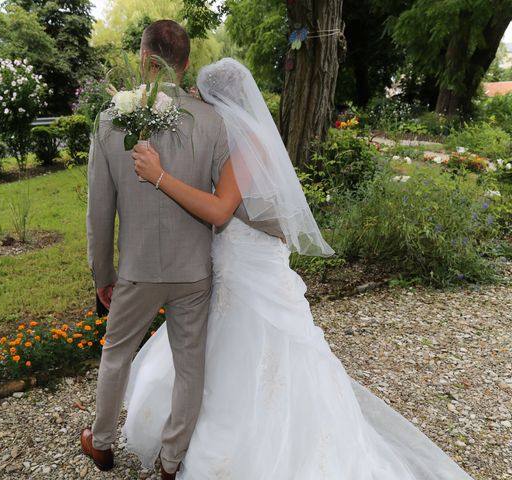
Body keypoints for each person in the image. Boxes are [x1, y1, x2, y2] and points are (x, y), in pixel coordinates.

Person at [124, 57, 475, 479]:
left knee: (252, 351)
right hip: (234, 259)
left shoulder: (246, 142)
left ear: (216, 97)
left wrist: (160, 177)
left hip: (248, 267)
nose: (197, 101)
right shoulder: (229, 134)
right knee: (214, 347)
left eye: (201, 94)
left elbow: (220, 211)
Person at [83, 21, 231, 480]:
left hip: (137, 269)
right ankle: (171, 462)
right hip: (193, 271)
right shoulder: (212, 120)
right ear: (186, 63)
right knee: (191, 365)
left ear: (145, 59)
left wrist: (101, 274)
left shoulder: (110, 120)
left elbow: (99, 211)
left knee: (116, 354)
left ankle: (102, 443)